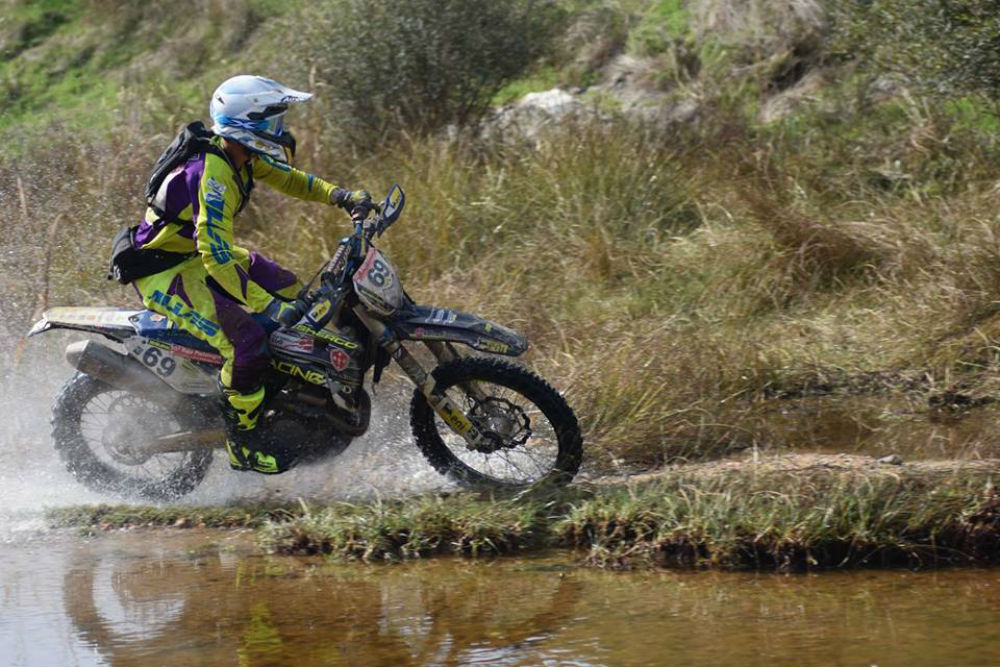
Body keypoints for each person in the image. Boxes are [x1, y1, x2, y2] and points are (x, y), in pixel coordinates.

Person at [131, 74, 372, 474]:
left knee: (291, 286)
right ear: (247, 125)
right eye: (273, 121)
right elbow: (215, 253)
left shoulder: (240, 156)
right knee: (246, 341)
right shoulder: (213, 173)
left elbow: (289, 178)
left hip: (195, 256)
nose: (281, 129)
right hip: (165, 270)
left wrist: (340, 196)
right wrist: (266, 306)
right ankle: (242, 439)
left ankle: (288, 392)